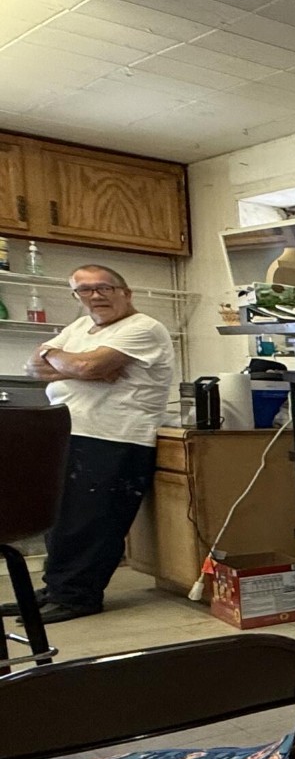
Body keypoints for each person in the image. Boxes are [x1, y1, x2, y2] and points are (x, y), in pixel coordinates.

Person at [21, 265, 174, 622]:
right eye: (85, 290)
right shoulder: (80, 327)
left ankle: (78, 596)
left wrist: (72, 363)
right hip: (70, 432)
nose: (96, 295)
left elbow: (90, 366)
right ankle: (57, 588)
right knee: (60, 520)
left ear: (125, 292)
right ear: (76, 296)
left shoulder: (143, 327)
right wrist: (69, 364)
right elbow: (33, 367)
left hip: (116, 436)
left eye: (104, 287)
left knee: (92, 522)